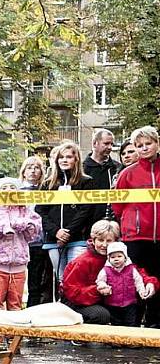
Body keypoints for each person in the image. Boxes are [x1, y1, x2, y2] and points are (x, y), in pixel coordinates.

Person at [0, 177, 41, 348]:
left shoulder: (26, 211)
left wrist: (25, 225)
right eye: (4, 187)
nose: (9, 190)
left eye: (13, 187)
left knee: (16, 304)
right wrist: (1, 227)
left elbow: (34, 234)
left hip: (19, 266)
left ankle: (14, 339)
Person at [61, 220, 157, 324]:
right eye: (100, 240)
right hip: (79, 303)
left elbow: (136, 272)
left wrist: (150, 283)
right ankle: (89, 338)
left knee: (136, 299)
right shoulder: (82, 262)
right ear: (93, 240)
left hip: (108, 299)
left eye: (109, 241)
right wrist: (97, 290)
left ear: (116, 241)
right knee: (101, 315)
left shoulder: (120, 257)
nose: (104, 245)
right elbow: (72, 291)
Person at [111, 125, 160, 328]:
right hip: (136, 237)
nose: (144, 148)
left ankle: (155, 325)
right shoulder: (127, 174)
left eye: (148, 144)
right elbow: (117, 205)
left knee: (158, 280)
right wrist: (133, 222)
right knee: (136, 281)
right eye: (139, 146)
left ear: (157, 144)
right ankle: (133, 326)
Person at [36, 142, 95, 296]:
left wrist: (68, 231)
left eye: (69, 157)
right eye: (61, 157)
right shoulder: (48, 184)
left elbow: (86, 210)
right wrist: (56, 232)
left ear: (76, 159)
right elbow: (41, 210)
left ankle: (76, 310)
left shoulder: (86, 182)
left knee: (75, 277)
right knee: (60, 278)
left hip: (77, 238)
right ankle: (62, 309)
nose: (64, 160)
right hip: (53, 240)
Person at [18, 156, 52, 307]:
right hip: (20, 242)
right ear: (23, 171)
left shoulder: (45, 191)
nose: (33, 170)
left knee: (36, 280)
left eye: (36, 167)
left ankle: (34, 309)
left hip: (39, 241)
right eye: (29, 167)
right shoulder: (16, 190)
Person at [95, 241, 154, 327]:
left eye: (119, 256)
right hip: (112, 303)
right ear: (108, 258)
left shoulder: (131, 269)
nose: (116, 259)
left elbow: (138, 281)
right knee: (116, 324)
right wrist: (103, 286)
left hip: (130, 303)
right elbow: (100, 280)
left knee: (131, 323)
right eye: (113, 257)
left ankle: (131, 338)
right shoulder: (105, 270)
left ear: (125, 257)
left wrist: (141, 291)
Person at [83, 128, 121, 228]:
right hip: (86, 225)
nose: (110, 147)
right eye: (106, 143)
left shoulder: (117, 168)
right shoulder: (81, 169)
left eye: (112, 144)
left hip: (113, 224)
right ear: (95, 143)